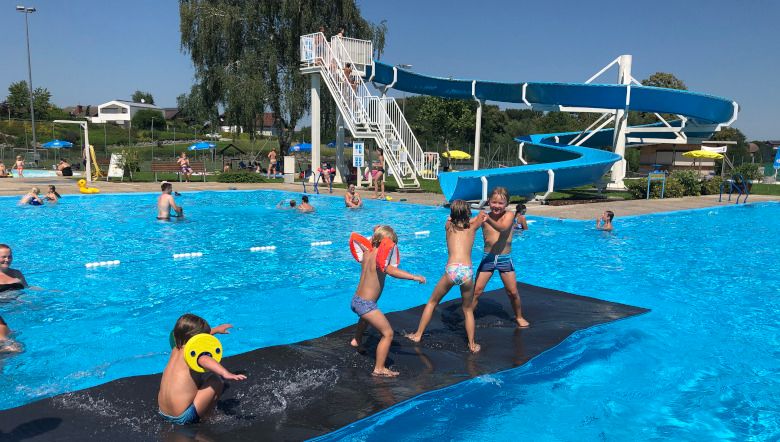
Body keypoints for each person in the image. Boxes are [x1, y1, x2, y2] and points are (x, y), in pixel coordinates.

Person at [405, 200, 488, 353]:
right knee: (468, 309)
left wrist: (458, 217)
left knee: (432, 303)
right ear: (468, 214)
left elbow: (452, 220)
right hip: (467, 271)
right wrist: (476, 217)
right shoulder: (473, 228)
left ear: (452, 215)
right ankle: (471, 344)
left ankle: (418, 335)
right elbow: (482, 216)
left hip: (452, 270)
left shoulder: (448, 226)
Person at [350, 225, 426, 377]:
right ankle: (379, 368)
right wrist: (414, 277)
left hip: (356, 300)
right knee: (388, 333)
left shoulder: (367, 253)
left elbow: (373, 241)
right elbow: (392, 271)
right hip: (366, 304)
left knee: (364, 319)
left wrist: (376, 231)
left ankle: (357, 340)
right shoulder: (381, 260)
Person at [158, 314, 246, 425]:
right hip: (183, 417)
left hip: (163, 412)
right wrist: (226, 373)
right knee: (216, 380)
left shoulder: (176, 347)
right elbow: (204, 359)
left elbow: (192, 339)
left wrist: (216, 330)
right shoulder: (194, 354)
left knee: (195, 378)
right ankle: (207, 417)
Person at [473, 187, 530, 329]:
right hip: (488, 258)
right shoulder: (483, 216)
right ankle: (468, 315)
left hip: (505, 258)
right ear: (488, 202)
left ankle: (519, 316)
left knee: (512, 292)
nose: (497, 206)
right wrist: (454, 221)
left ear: (506, 204)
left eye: (500, 203)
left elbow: (503, 228)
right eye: (494, 202)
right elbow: (468, 226)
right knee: (477, 291)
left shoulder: (510, 215)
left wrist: (487, 219)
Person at [0, 244, 26, 352]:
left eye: (10, 256)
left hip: (20, 304)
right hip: (5, 307)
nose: (7, 260)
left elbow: (27, 288)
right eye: (3, 257)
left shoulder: (16, 273)